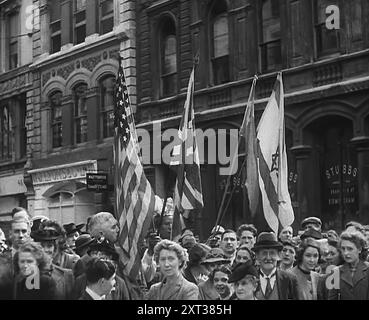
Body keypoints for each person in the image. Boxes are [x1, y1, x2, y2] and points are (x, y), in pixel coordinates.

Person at [252, 232, 301, 300]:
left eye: (272, 253)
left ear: (278, 255)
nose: (268, 258)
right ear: (257, 256)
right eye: (264, 253)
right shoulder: (251, 278)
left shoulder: (290, 279)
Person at [31, 228, 75, 300]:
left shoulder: (67, 275)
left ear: (54, 249)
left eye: (49, 246)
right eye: (41, 246)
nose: (45, 249)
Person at [326, 230, 369, 300]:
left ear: (359, 249)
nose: (346, 253)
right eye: (343, 249)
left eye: (350, 249)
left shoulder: (367, 270)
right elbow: (332, 298)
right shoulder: (335, 272)